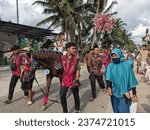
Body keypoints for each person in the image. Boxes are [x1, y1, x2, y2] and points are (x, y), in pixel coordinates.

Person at [106, 48, 138, 113]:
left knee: (124, 110)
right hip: (114, 92)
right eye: (112, 56)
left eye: (116, 55)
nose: (114, 57)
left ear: (120, 55)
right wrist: (109, 87)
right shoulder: (110, 66)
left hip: (124, 93)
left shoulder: (126, 66)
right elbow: (108, 77)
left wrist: (134, 93)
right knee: (116, 109)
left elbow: (132, 80)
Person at [60, 42, 81, 113]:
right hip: (64, 80)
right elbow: (60, 68)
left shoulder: (76, 58)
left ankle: (77, 109)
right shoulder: (62, 58)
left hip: (73, 79)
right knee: (62, 95)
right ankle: (65, 111)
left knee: (76, 95)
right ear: (68, 49)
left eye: (75, 48)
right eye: (73, 48)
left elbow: (78, 69)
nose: (74, 50)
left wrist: (77, 79)